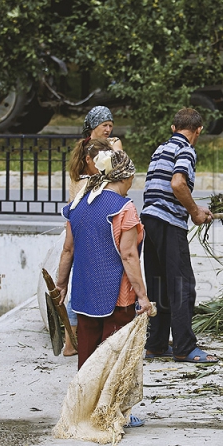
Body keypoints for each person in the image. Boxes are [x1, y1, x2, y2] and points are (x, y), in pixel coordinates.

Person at [55, 149, 152, 370]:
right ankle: (107, 405)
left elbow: (67, 250)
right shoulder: (123, 208)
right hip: (117, 299)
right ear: (126, 177)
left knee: (87, 364)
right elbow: (129, 256)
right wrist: (143, 297)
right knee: (113, 365)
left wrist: (61, 286)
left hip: (84, 294)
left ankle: (85, 403)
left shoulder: (77, 205)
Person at [141, 108, 218, 363]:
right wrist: (195, 212)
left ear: (173, 128)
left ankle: (156, 344)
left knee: (159, 283)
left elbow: (163, 186)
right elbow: (177, 184)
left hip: (149, 220)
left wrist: (196, 208)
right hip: (168, 223)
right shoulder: (186, 149)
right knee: (182, 285)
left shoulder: (161, 149)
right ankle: (185, 347)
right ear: (198, 131)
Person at [58, 138, 115, 356]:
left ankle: (74, 343)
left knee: (78, 292)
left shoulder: (83, 180)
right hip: (90, 243)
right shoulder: (89, 185)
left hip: (81, 240)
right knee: (80, 296)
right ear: (89, 160)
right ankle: (73, 343)